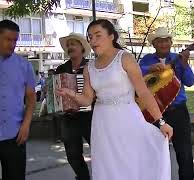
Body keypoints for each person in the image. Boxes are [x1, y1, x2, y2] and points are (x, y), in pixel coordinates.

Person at [56, 19, 173, 180]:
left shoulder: (124, 58)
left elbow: (144, 93)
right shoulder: (89, 67)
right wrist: (71, 94)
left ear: (111, 36)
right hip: (101, 122)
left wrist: (160, 121)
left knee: (129, 162)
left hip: (127, 117)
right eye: (90, 37)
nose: (93, 40)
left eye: (98, 35)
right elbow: (87, 100)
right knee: (107, 166)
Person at [139, 27, 194, 180]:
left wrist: (184, 64)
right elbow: (135, 74)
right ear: (154, 44)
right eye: (159, 41)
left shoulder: (178, 58)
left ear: (171, 43)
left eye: (166, 41)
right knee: (153, 152)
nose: (163, 44)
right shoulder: (147, 60)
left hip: (178, 111)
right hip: (154, 112)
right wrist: (149, 69)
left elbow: (190, 81)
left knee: (184, 153)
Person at [0, 19, 36, 180]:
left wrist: (26, 125)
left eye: (15, 40)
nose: (12, 44)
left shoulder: (25, 66)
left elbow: (30, 99)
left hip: (15, 135)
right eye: (8, 39)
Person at [55, 33, 93, 180]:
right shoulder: (61, 69)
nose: (70, 47)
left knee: (99, 150)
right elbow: (56, 92)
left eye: (73, 44)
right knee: (72, 155)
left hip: (90, 116)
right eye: (68, 45)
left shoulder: (91, 66)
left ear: (82, 48)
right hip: (69, 118)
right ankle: (83, 177)